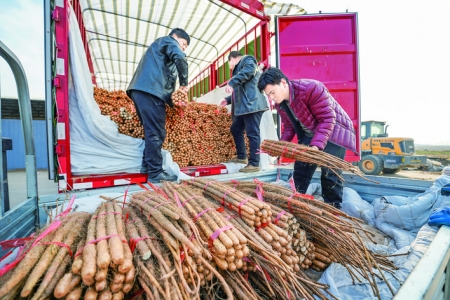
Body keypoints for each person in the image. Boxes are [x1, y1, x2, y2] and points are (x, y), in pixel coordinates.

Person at [257, 67, 357, 208]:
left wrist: (315, 146)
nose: (271, 98)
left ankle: (333, 209)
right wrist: (279, 147)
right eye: (268, 95)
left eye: (272, 93)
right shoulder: (281, 105)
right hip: (310, 134)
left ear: (283, 83)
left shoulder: (311, 88)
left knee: (330, 174)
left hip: (335, 131)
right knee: (301, 170)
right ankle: (296, 203)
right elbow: (290, 127)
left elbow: (327, 118)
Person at [127, 28, 190, 183]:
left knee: (151, 132)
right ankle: (155, 173)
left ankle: (146, 167)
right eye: (183, 44)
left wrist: (172, 101)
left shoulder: (158, 49)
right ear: (176, 37)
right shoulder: (168, 41)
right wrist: (184, 84)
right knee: (156, 133)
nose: (182, 48)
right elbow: (180, 58)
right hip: (150, 91)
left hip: (140, 90)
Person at [219, 51, 269, 172]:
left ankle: (254, 164)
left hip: (252, 106)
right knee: (236, 129)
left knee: (253, 133)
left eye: (229, 64)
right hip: (245, 107)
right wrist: (227, 100)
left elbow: (249, 71)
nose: (230, 68)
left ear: (231, 59)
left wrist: (231, 82)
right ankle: (242, 157)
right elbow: (240, 92)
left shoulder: (248, 60)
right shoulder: (240, 69)